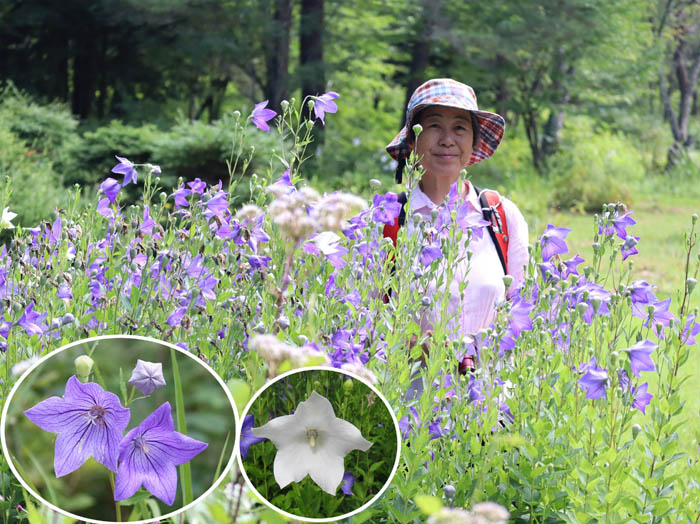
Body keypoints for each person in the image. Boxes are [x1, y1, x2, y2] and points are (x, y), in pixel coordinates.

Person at [384, 78, 529, 371]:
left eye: (460, 128)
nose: (447, 140)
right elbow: (362, 320)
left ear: (473, 142)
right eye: (434, 126)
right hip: (408, 401)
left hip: (489, 402)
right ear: (412, 140)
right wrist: (409, 343)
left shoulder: (500, 215)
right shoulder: (388, 218)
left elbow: (524, 311)